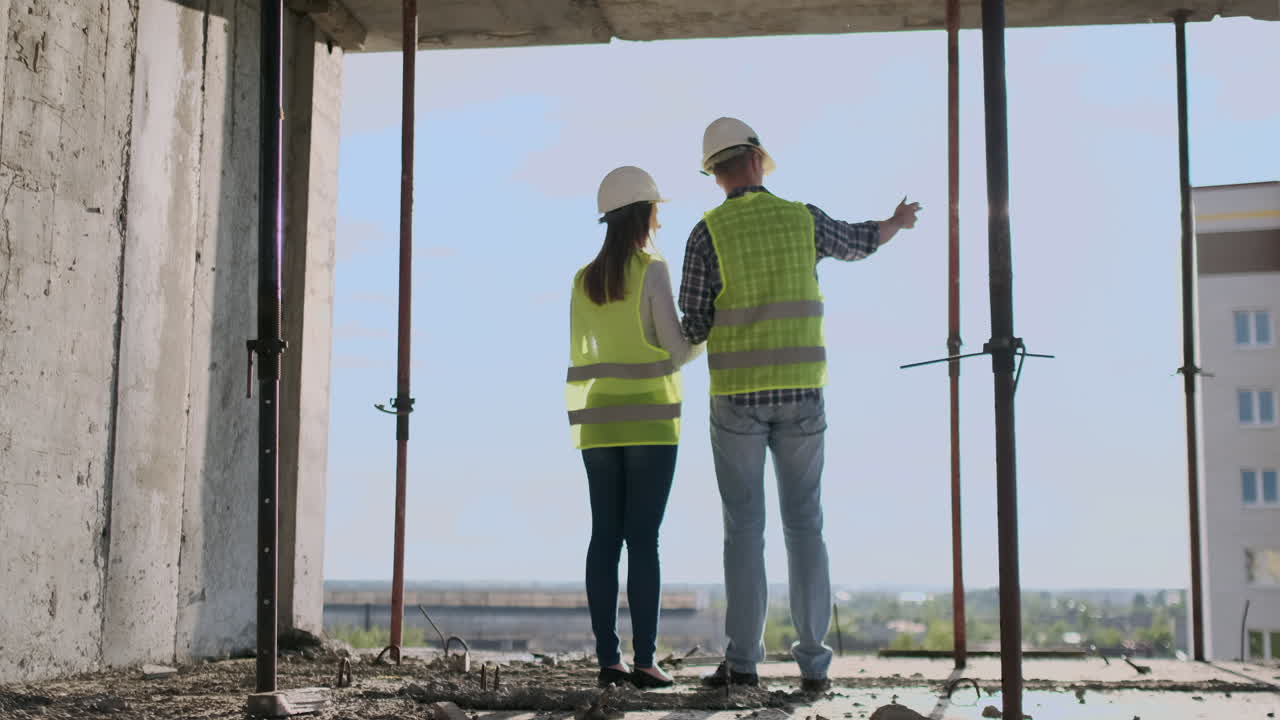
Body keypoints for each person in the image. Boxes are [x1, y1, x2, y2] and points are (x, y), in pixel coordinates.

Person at [680, 118, 921, 693]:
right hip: (802, 395)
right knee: (805, 525)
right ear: (759, 161)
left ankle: (742, 663)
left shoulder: (705, 234)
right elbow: (862, 241)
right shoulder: (801, 219)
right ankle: (814, 667)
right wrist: (898, 221)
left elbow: (694, 322)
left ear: (715, 174)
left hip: (736, 399)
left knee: (744, 529)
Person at [567, 166, 704, 689]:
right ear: (644, 213)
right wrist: (705, 334)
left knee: (604, 536)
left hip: (598, 418)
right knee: (642, 538)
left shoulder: (583, 279)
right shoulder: (652, 269)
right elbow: (674, 349)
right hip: (648, 416)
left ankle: (610, 660)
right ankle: (646, 661)